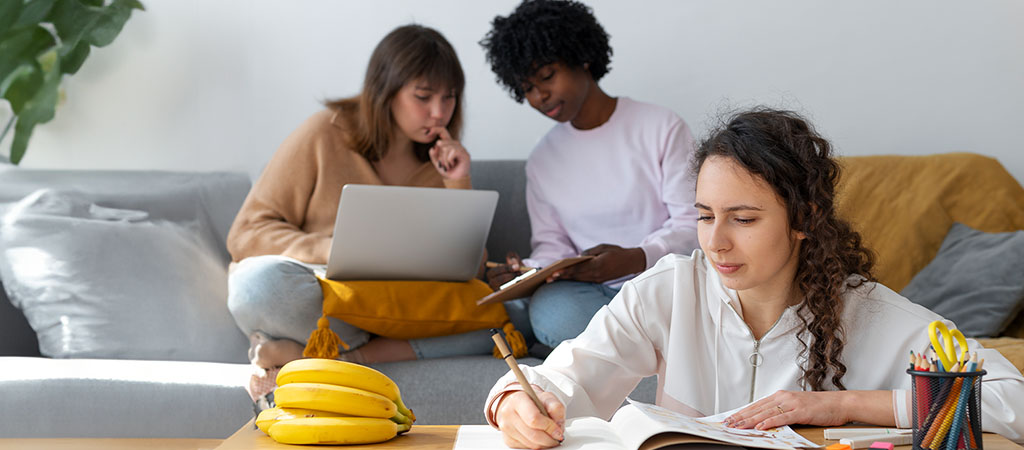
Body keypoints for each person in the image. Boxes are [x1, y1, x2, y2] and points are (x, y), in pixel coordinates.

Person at [483, 108, 1024, 449]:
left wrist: (840, 405)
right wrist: (516, 404)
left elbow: (1012, 401)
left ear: (804, 220)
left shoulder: (873, 314)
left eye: (743, 219)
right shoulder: (670, 289)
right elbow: (566, 376)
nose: (716, 241)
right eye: (703, 215)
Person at [225, 25, 523, 401]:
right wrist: (331, 250)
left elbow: (468, 269)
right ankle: (357, 349)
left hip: (399, 307)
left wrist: (458, 182)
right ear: (385, 91)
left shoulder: (440, 164)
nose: (438, 112)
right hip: (334, 301)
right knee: (258, 286)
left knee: (514, 319)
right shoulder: (324, 132)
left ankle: (323, 356)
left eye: (449, 98)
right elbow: (246, 234)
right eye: (423, 96)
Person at [479, 0, 700, 351]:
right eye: (527, 88)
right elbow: (553, 246)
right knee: (546, 312)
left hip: (663, 282)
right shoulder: (542, 160)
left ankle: (610, 345)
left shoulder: (660, 126)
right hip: (588, 293)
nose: (539, 96)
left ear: (581, 56)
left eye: (547, 76)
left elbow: (695, 226)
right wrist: (527, 270)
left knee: (553, 320)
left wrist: (636, 256)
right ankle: (637, 344)